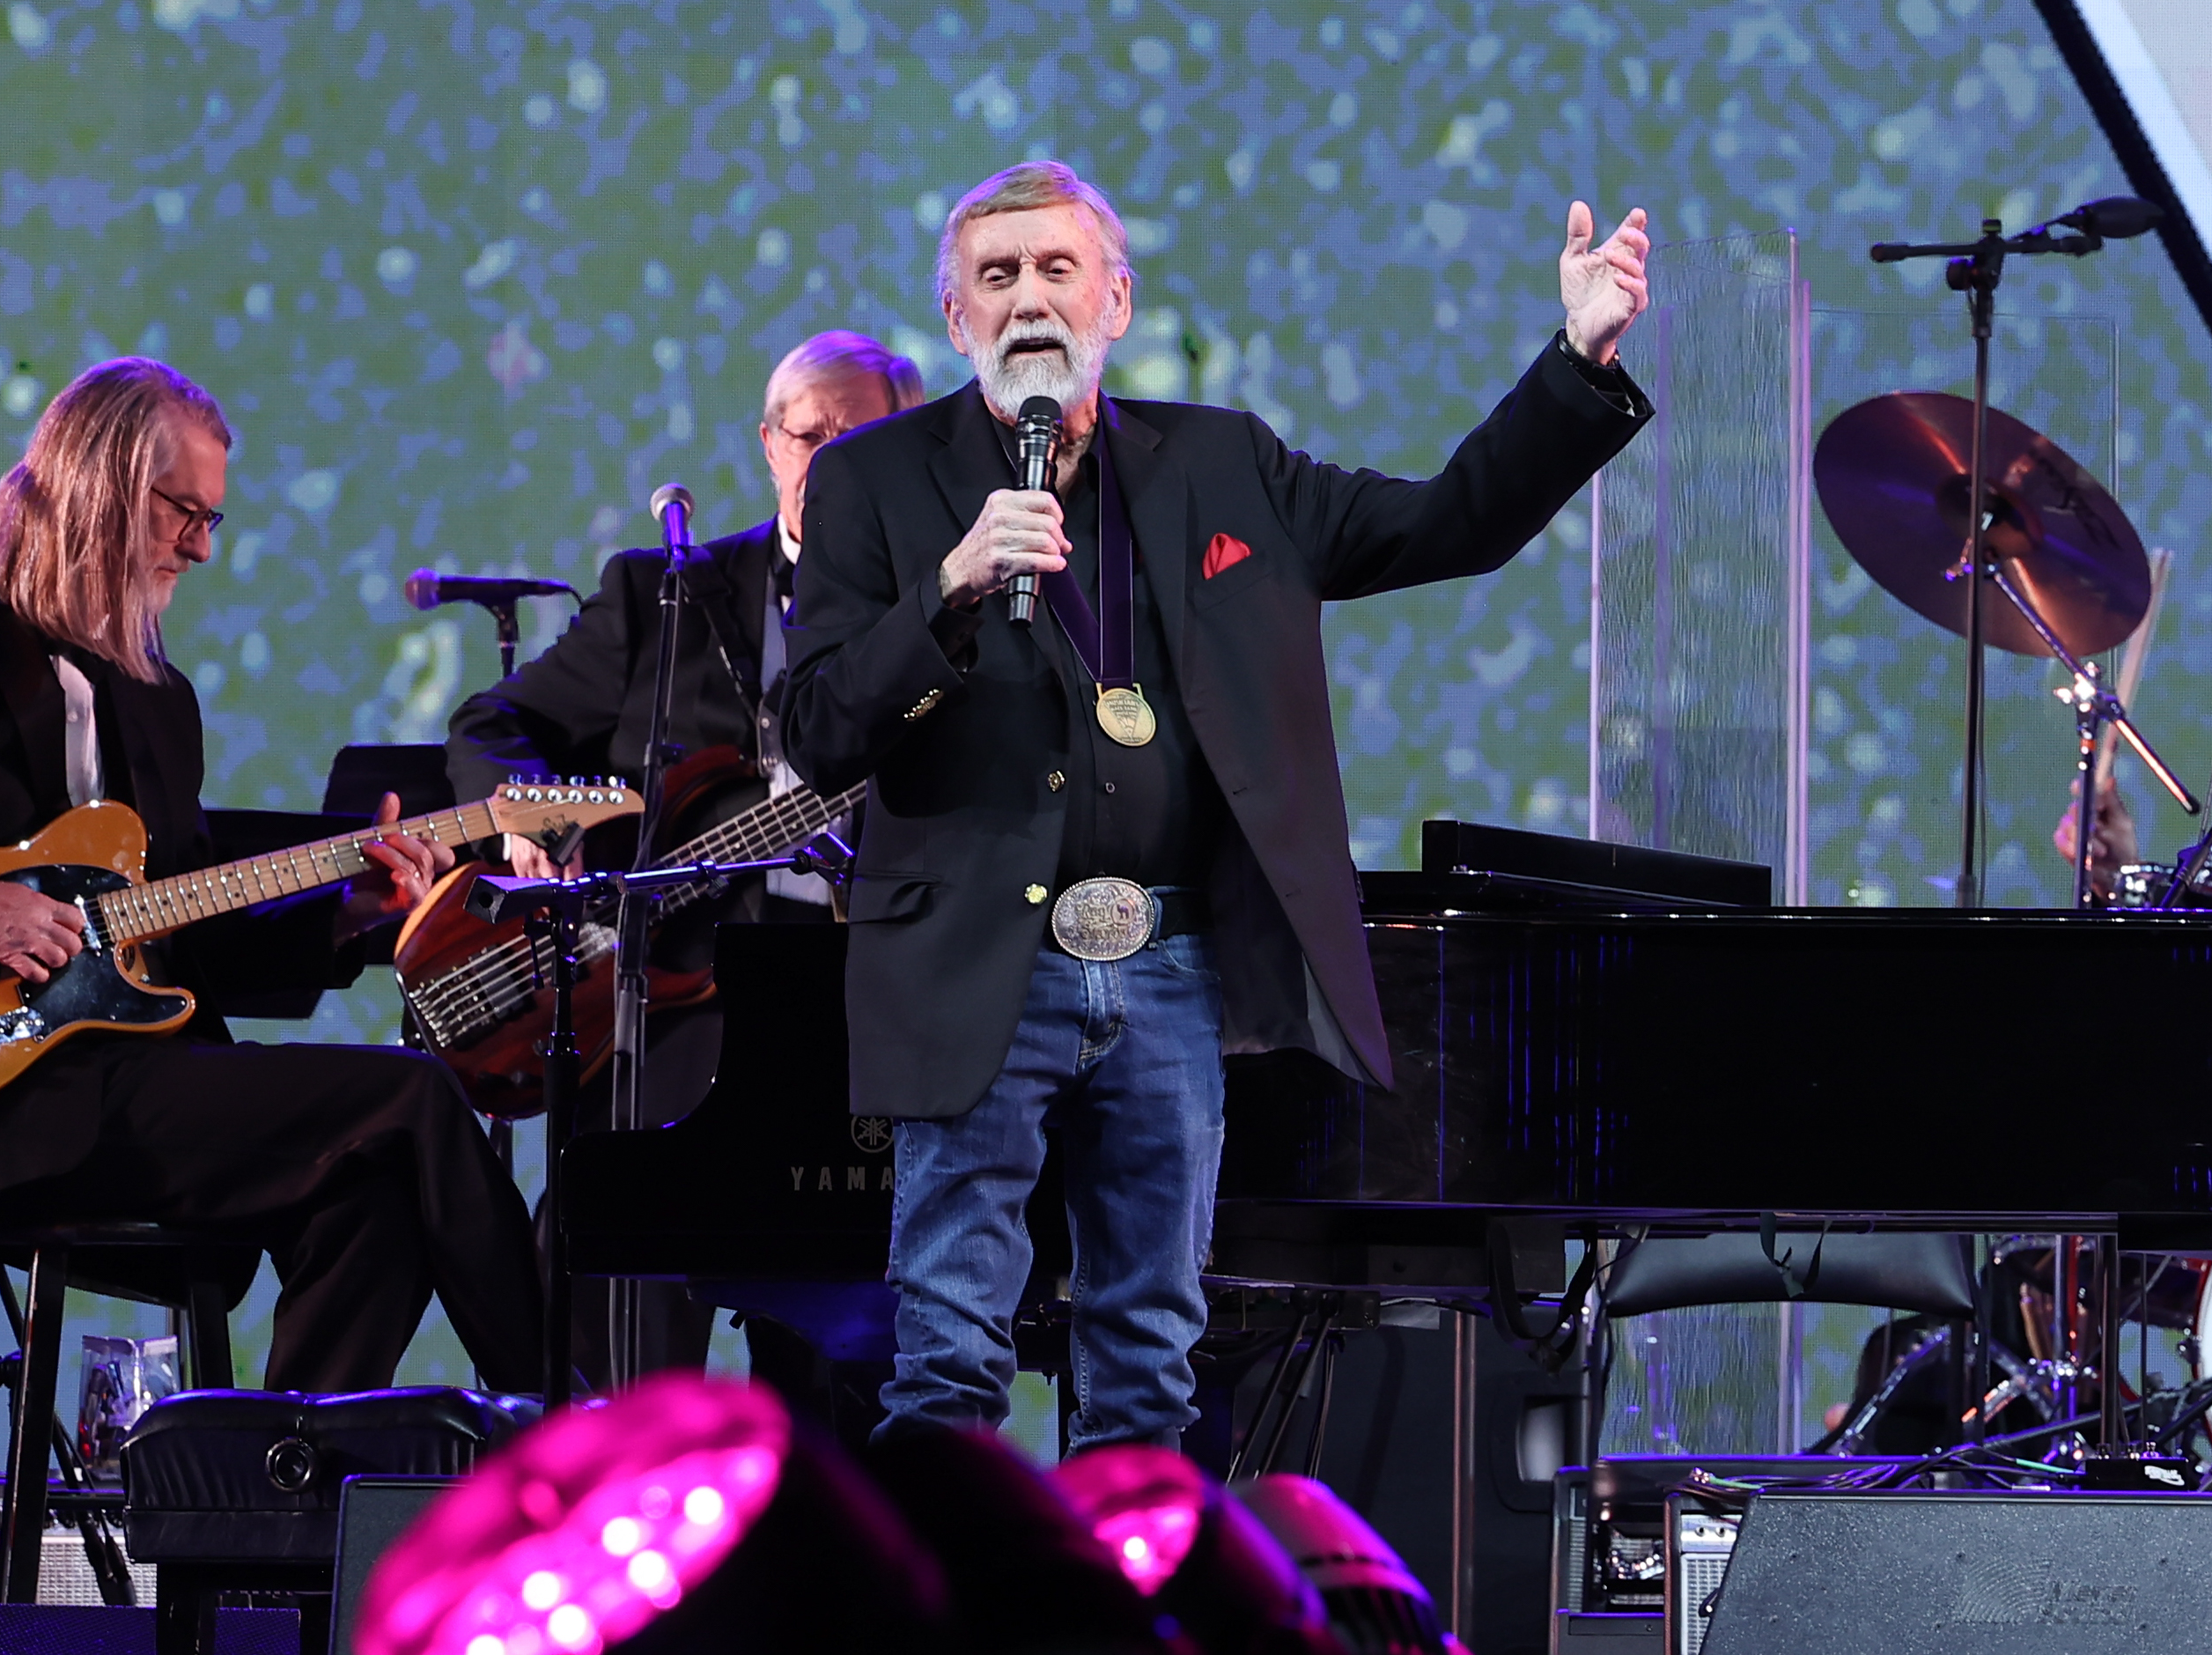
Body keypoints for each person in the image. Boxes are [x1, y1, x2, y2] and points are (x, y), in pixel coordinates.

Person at [782, 160, 1653, 1446]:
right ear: (957, 319)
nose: (1029, 297)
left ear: (1116, 299)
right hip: (971, 964)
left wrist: (1573, 360)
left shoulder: (1224, 460)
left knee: (1144, 1359)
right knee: (949, 1354)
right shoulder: (873, 481)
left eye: (1056, 268)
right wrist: (948, 592)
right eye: (997, 276)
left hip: (1171, 964)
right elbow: (813, 728)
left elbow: (1443, 525)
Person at [0, 358, 540, 1393]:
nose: (198, 546)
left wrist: (347, 908)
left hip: (133, 1080)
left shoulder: (156, 699)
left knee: (378, 1194)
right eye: (183, 511)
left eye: (211, 521)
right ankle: (577, 1421)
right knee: (411, 1099)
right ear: (99, 483)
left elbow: (175, 929)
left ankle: (265, 1511)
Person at [444, 330, 922, 1388]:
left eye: (865, 440)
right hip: (666, 1002)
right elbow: (494, 720)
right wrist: (530, 815)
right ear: (768, 445)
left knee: (840, 1319)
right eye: (812, 436)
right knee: (612, 1213)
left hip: (855, 999)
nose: (833, 463)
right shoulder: (663, 595)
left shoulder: (942, 625)